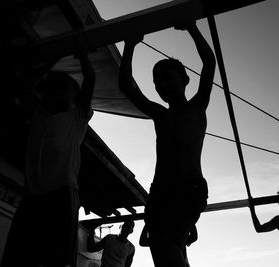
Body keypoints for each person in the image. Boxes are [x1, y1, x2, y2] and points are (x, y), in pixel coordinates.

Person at [119, 21, 216, 267]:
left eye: (166, 79)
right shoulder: (160, 114)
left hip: (188, 189)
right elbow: (126, 86)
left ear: (185, 79)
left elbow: (209, 64)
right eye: (156, 82)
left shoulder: (196, 107)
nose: (161, 85)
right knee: (168, 249)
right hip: (161, 191)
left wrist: (192, 28)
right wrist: (129, 46)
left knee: (165, 247)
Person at [1, 51, 95, 267]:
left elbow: (90, 78)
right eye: (51, 86)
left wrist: (81, 53)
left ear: (75, 97)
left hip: (61, 195)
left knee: (55, 259)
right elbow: (26, 85)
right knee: (17, 256)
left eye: (63, 87)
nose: (54, 90)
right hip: (32, 197)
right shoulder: (37, 116)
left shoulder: (76, 118)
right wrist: (53, 57)